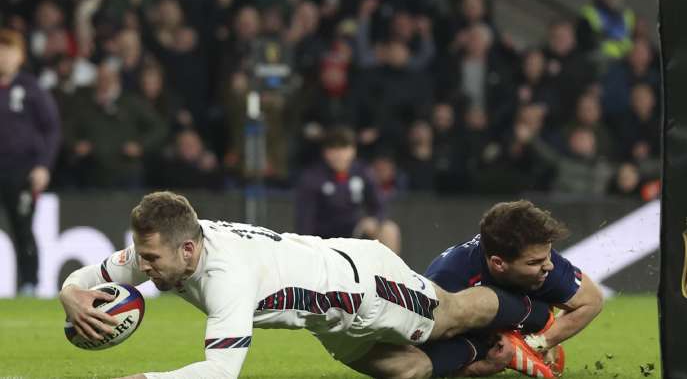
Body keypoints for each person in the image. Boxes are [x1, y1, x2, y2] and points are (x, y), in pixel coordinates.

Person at [59, 191, 555, 379]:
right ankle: (498, 356)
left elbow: (220, 373)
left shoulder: (226, 277)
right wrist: (70, 294)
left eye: (150, 259)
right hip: (325, 318)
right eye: (140, 255)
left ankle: (535, 314)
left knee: (450, 314)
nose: (141, 268)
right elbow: (92, 275)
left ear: (187, 250)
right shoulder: (170, 245)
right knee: (406, 372)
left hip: (363, 285)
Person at [425, 200, 604, 377]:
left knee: (542, 315)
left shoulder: (537, 255)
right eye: (535, 262)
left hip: (511, 318)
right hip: (464, 333)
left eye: (548, 254)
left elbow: (592, 301)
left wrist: (537, 344)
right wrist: (481, 368)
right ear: (498, 263)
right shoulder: (448, 280)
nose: (549, 266)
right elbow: (422, 359)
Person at [0, 28, 61, 295]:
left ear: (20, 56)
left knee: (23, 229)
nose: (2, 56)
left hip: (21, 170)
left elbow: (51, 128)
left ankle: (29, 285)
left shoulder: (30, 88)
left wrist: (43, 166)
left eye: (8, 50)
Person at [296, 127, 401, 253]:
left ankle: (388, 272)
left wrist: (373, 220)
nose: (339, 155)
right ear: (325, 153)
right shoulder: (313, 177)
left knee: (389, 229)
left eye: (344, 148)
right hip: (324, 238)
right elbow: (305, 221)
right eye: (333, 149)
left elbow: (380, 205)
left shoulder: (362, 171)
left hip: (354, 232)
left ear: (353, 150)